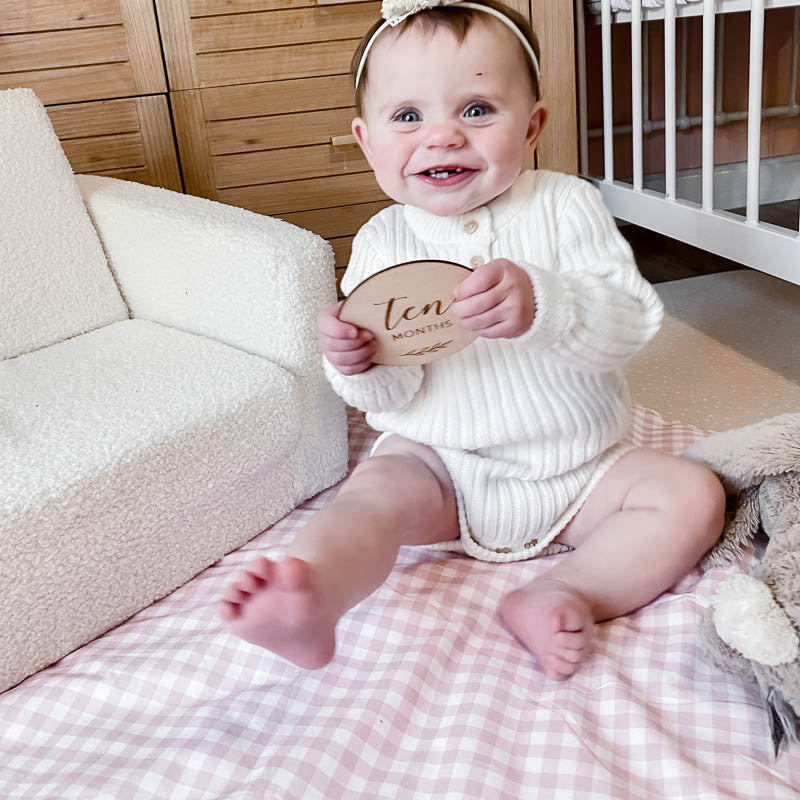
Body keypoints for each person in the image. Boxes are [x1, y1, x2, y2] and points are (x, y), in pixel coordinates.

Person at [220, 0, 725, 679]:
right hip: (442, 468)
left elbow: (631, 323)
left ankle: (567, 591)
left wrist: (546, 303)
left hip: (581, 468)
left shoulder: (564, 204)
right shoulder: (382, 241)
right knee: (373, 491)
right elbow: (394, 391)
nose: (443, 137)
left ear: (533, 126)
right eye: (408, 117)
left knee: (693, 494)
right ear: (367, 142)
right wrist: (360, 364)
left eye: (477, 110)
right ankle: (310, 594)